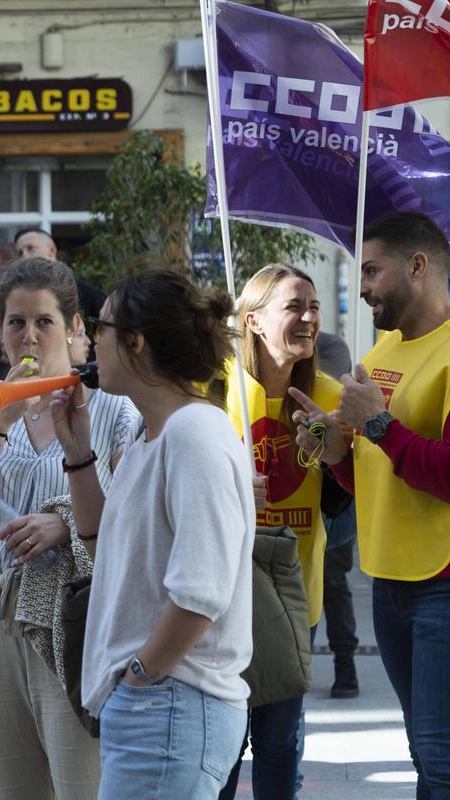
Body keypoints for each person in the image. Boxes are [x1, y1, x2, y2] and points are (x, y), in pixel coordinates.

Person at [0, 259, 137, 800]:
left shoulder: (115, 408)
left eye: (44, 321)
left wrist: (64, 521)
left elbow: (129, 514)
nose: (29, 335)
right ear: (0, 333)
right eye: (16, 322)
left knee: (81, 781)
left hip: (72, 606)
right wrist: (0, 419)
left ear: (74, 328)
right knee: (11, 785)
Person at [49, 270, 254, 799]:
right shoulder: (152, 436)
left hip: (171, 702)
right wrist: (78, 456)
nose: (94, 339)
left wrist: (140, 679)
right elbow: (108, 553)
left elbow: (201, 591)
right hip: (158, 703)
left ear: (136, 342)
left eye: (102, 327)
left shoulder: (194, 433)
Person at [294, 211, 450, 798]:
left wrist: (378, 424)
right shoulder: (379, 351)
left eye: (371, 270)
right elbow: (376, 479)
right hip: (388, 580)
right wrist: (336, 451)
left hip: (442, 580)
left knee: (439, 755)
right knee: (422, 750)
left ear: (418, 266)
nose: (361, 287)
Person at [218, 264, 342, 799]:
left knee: (279, 740)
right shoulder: (215, 389)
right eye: (294, 306)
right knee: (221, 740)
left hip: (294, 594)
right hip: (221, 592)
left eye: (313, 307)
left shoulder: (332, 397)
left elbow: (339, 502)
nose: (310, 318)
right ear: (254, 321)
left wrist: (336, 458)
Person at [315, 330, 360, 699]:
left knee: (332, 582)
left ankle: (345, 664)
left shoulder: (330, 347)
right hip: (295, 491)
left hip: (333, 497)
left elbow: (322, 393)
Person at [13, 228, 107, 322]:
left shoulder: (90, 296)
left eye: (30, 248)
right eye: (20, 253)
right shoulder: (15, 297)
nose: (24, 256)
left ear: (52, 250)